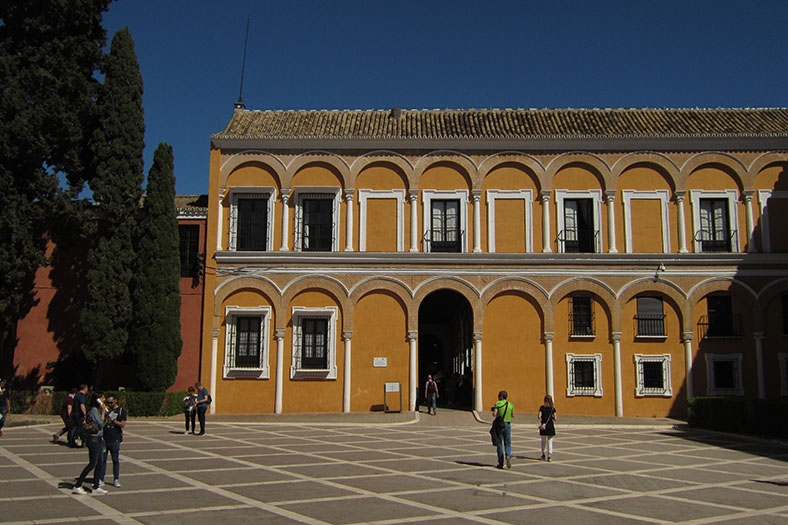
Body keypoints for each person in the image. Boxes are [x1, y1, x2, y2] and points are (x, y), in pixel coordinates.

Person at [72, 392, 107, 495]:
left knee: (100, 463)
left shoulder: (96, 410)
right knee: (93, 463)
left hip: (99, 439)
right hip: (93, 439)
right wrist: (104, 413)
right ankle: (77, 485)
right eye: (102, 398)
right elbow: (100, 424)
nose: (104, 400)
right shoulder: (94, 410)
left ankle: (96, 486)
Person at [99, 394, 126, 488]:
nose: (109, 404)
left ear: (115, 401)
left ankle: (116, 479)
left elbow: (122, 424)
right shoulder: (105, 410)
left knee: (115, 459)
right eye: (108, 402)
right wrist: (103, 412)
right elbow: (100, 423)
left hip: (115, 437)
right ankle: (101, 479)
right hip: (105, 438)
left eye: (111, 402)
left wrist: (114, 421)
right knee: (102, 460)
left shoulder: (121, 411)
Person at [492, 390, 514, 469]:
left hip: (500, 425)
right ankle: (508, 455)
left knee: (499, 443)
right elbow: (513, 415)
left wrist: (496, 413)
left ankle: (501, 463)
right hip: (508, 424)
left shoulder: (497, 404)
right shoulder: (510, 404)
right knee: (508, 443)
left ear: (501, 396)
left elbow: (494, 414)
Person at [538, 394, 557, 461]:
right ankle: (549, 456)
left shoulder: (542, 408)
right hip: (550, 425)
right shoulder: (552, 409)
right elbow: (555, 418)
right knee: (550, 441)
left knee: (543, 441)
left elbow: (539, 416)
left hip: (543, 425)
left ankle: (543, 454)